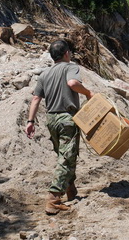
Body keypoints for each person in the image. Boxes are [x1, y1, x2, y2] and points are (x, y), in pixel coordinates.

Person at [24, 39, 92, 214]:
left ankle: (70, 189)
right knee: (66, 158)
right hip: (66, 118)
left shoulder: (44, 74)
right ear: (66, 53)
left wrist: (30, 122)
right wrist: (88, 93)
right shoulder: (71, 67)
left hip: (51, 119)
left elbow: (36, 99)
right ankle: (54, 198)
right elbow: (72, 84)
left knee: (64, 155)